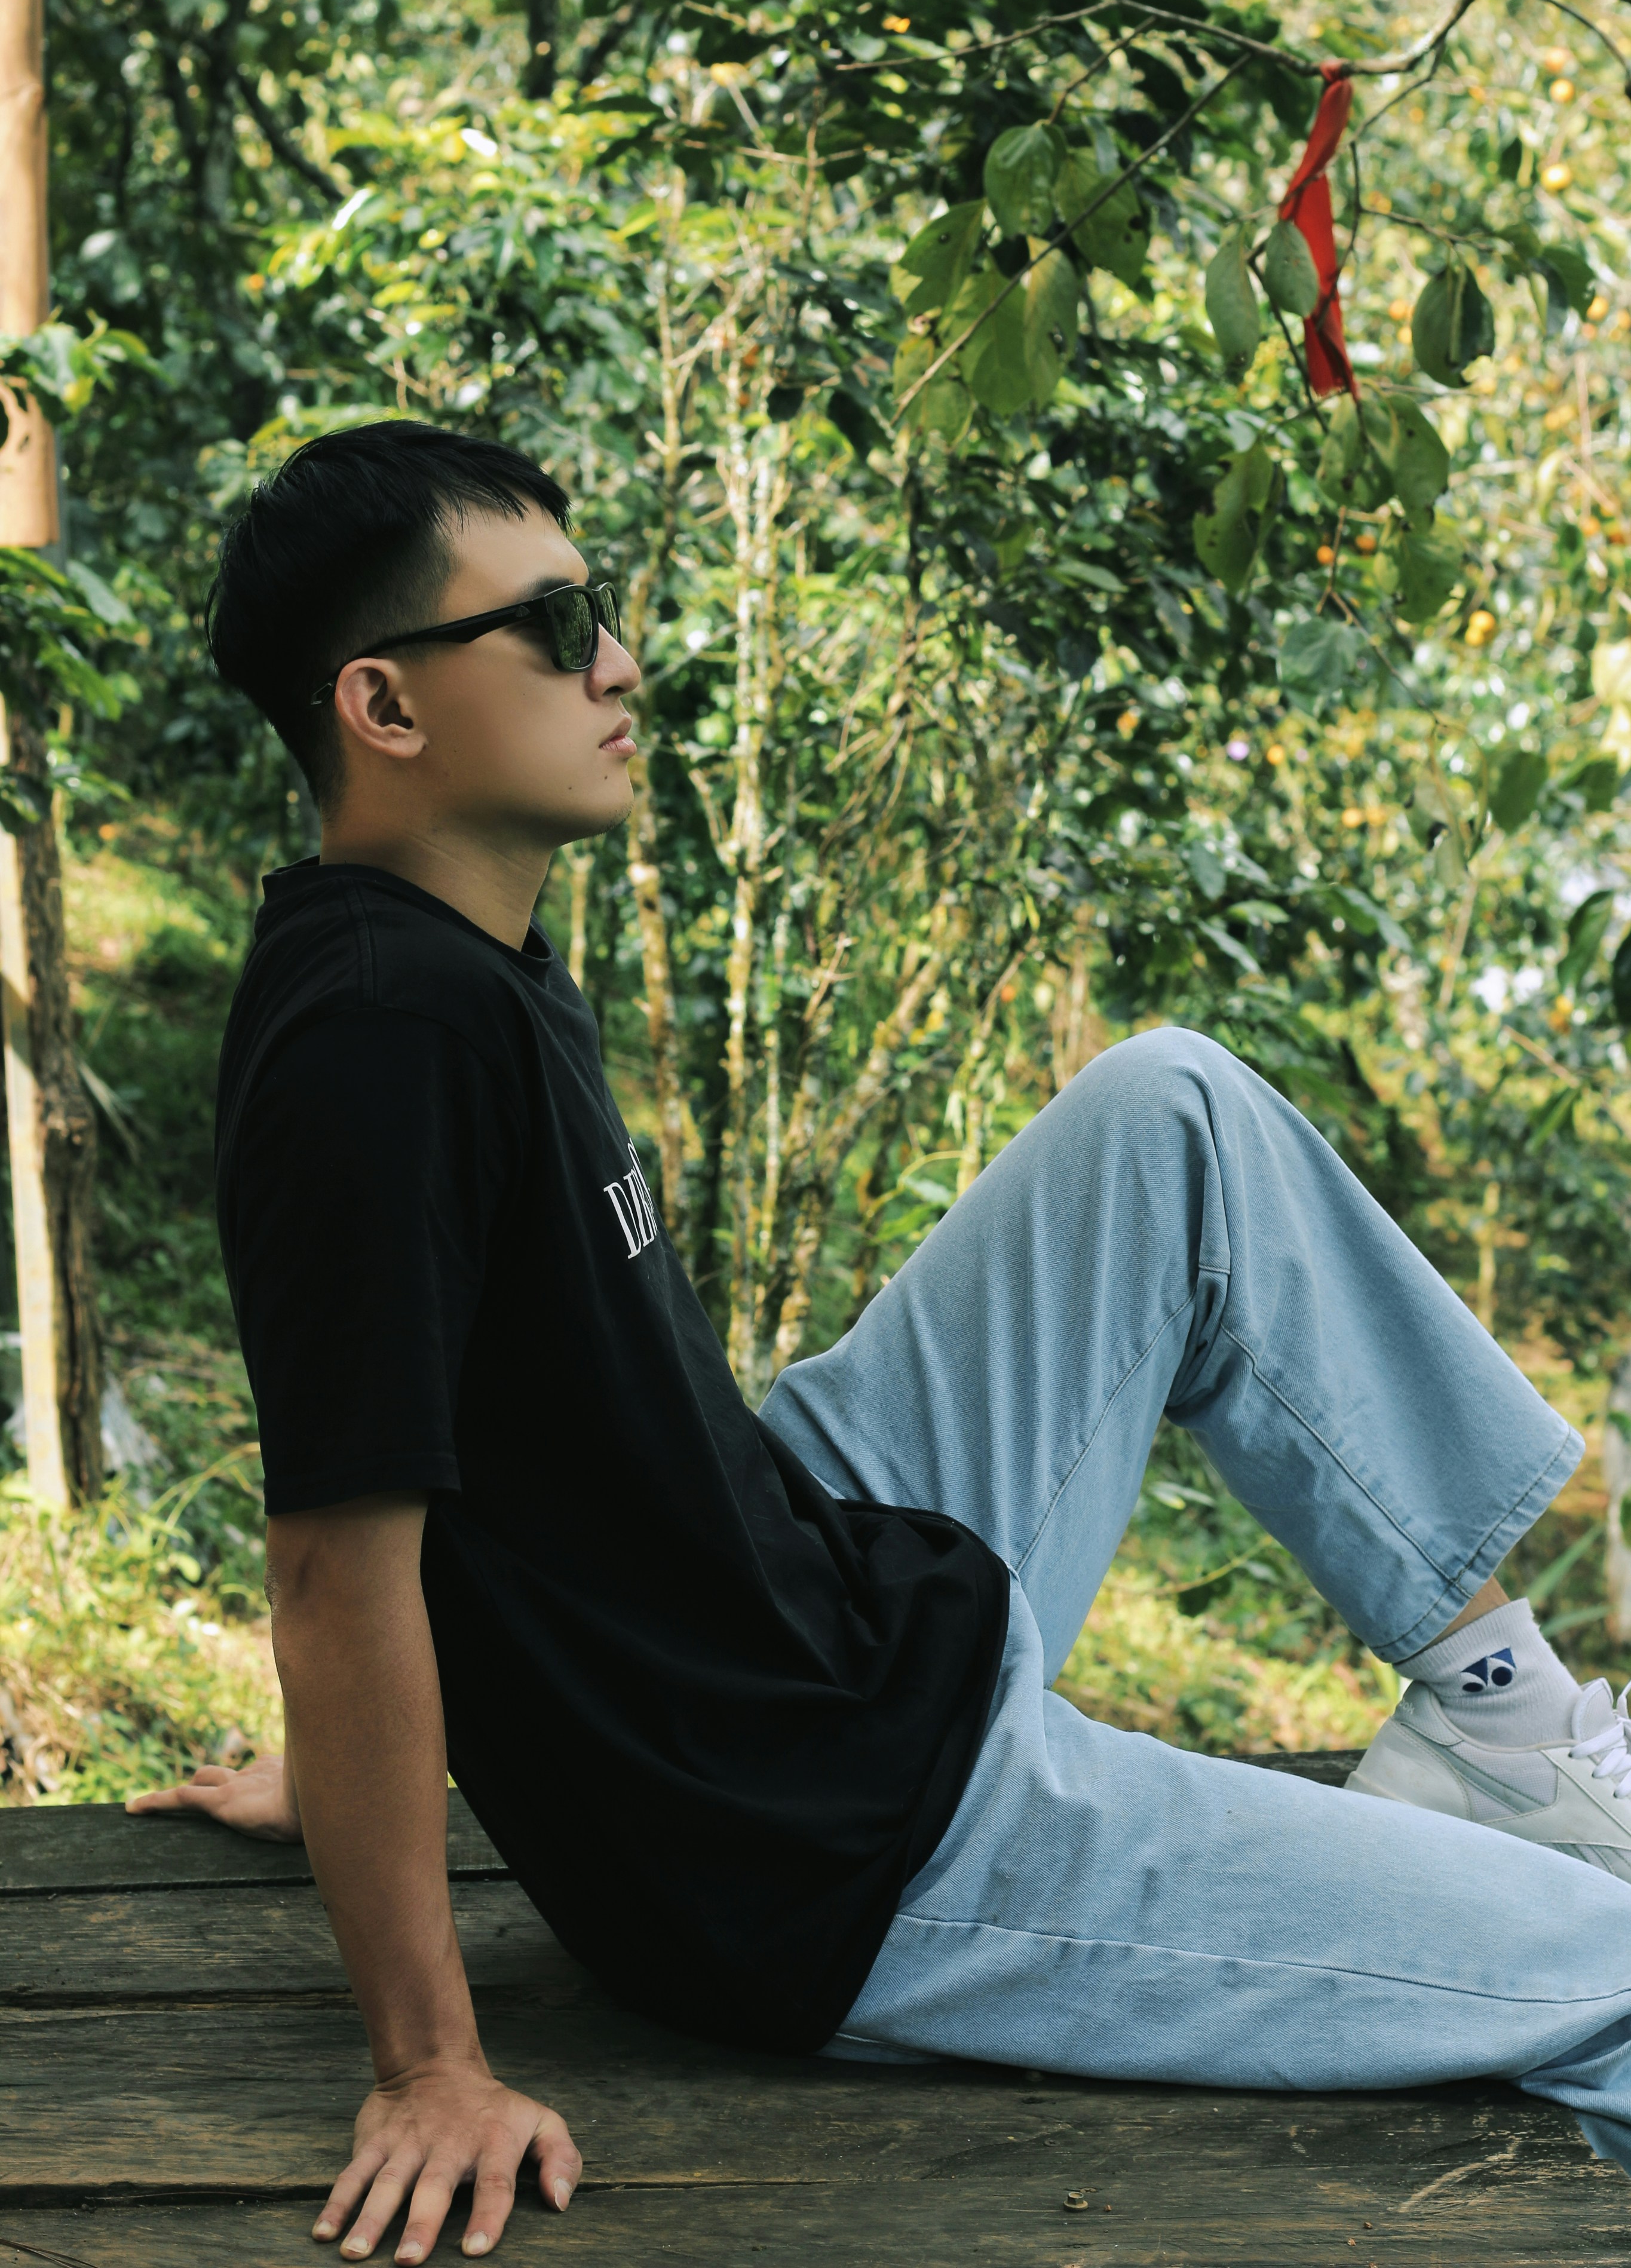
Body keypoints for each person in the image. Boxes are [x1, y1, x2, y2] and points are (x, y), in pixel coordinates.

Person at [131, 418, 1631, 2266]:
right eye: (553, 623)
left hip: (799, 1584)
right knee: (1614, 1976)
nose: (615, 661)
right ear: (384, 704)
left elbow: (488, 1464)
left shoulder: (466, 957)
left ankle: (1501, 1722)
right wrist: (427, 2060)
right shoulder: (379, 1042)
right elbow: (332, 1559)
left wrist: (402, 1748)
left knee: (1168, 1114)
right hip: (819, 1836)